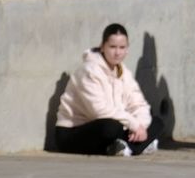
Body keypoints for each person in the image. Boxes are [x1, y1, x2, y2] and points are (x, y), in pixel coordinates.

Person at [53, 24, 161, 156]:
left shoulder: (123, 72)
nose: (117, 52)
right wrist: (133, 124)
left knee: (156, 122)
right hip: (73, 133)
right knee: (110, 127)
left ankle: (124, 147)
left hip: (114, 126)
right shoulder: (89, 71)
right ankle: (137, 147)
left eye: (122, 47)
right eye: (112, 47)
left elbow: (138, 104)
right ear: (102, 47)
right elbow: (99, 112)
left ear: (127, 49)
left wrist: (140, 127)